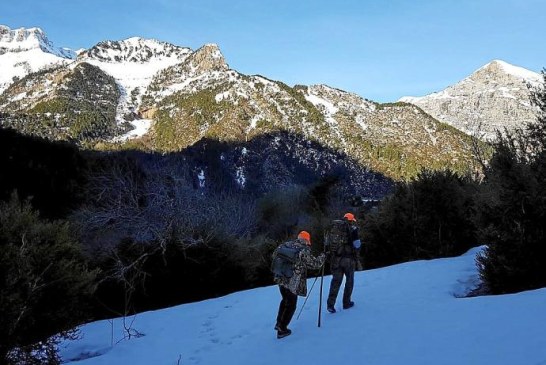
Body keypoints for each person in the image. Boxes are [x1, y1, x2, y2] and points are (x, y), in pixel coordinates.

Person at [273, 231, 325, 339]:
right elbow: (315, 264)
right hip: (292, 282)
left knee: (285, 300)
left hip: (280, 278)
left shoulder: (286, 245)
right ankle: (282, 329)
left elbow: (274, 255)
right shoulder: (303, 250)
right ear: (307, 240)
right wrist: (323, 257)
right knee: (291, 305)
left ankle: (279, 324)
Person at [326, 212, 361, 313]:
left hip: (335, 260)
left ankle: (330, 305)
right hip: (348, 260)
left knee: (335, 282)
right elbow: (357, 245)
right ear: (351, 220)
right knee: (349, 281)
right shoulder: (352, 229)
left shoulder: (334, 228)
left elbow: (327, 244)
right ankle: (346, 303)